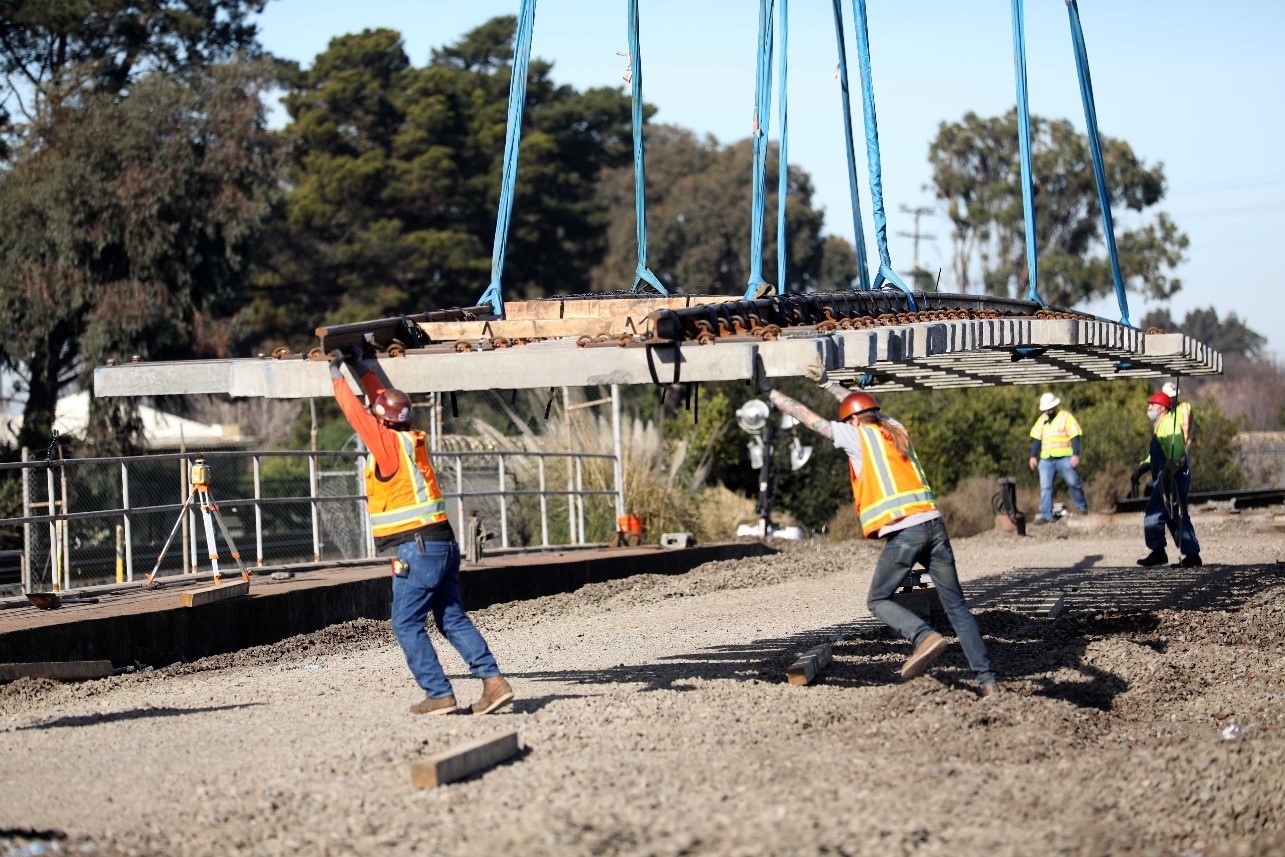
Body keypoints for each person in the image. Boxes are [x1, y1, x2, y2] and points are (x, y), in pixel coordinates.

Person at [769, 367, 1001, 697]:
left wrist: (772, 394)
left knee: (878, 599)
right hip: (935, 526)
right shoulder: (897, 430)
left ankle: (924, 637)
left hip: (906, 532)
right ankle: (988, 682)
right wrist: (826, 383)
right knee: (958, 609)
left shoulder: (856, 437)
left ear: (852, 421)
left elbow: (808, 417)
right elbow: (863, 406)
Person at [330, 349, 514, 715]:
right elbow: (381, 403)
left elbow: (357, 413)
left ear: (381, 421)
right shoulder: (410, 440)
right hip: (442, 543)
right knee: (451, 617)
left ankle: (439, 693)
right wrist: (362, 367)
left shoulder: (384, 443)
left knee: (406, 623)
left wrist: (335, 372)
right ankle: (493, 683)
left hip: (417, 548)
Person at [1137, 391, 1202, 568]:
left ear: (1162, 408)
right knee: (1175, 516)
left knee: (1155, 512)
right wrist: (1143, 467)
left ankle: (1159, 552)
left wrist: (1168, 470)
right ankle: (1191, 555)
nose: (1149, 408)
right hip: (1165, 478)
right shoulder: (1161, 425)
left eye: (1152, 405)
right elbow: (1159, 454)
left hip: (1173, 477)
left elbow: (1178, 454)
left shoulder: (1169, 425)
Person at [1028, 392, 1088, 524]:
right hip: (1046, 459)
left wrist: (1076, 454)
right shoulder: (1042, 419)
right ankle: (1046, 515)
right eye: (1046, 409)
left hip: (1064, 457)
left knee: (1073, 482)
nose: (1048, 411)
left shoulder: (1066, 417)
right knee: (1046, 487)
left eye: (1050, 408)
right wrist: (1033, 456)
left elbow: (1074, 435)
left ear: (1055, 406)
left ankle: (1082, 508)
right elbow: (1037, 439)